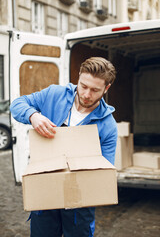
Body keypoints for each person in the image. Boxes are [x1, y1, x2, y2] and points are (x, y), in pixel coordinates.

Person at [10, 57, 117, 237]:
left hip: (80, 203)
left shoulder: (108, 125)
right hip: (44, 192)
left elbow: (104, 173)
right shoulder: (54, 94)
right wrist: (33, 116)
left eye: (95, 90)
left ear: (106, 88)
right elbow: (17, 105)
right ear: (78, 77)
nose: (86, 94)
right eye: (83, 86)